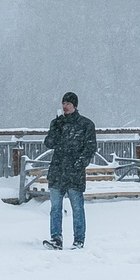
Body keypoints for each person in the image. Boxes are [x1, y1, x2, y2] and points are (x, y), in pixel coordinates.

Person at [42, 91, 97, 249]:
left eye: (68, 103)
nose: (65, 106)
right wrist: (56, 129)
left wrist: (81, 162)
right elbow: (49, 143)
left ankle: (79, 240)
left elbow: (90, 147)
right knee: (55, 207)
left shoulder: (86, 125)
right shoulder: (57, 123)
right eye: (63, 103)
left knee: (77, 208)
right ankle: (56, 238)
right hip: (58, 169)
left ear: (75, 105)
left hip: (74, 171)